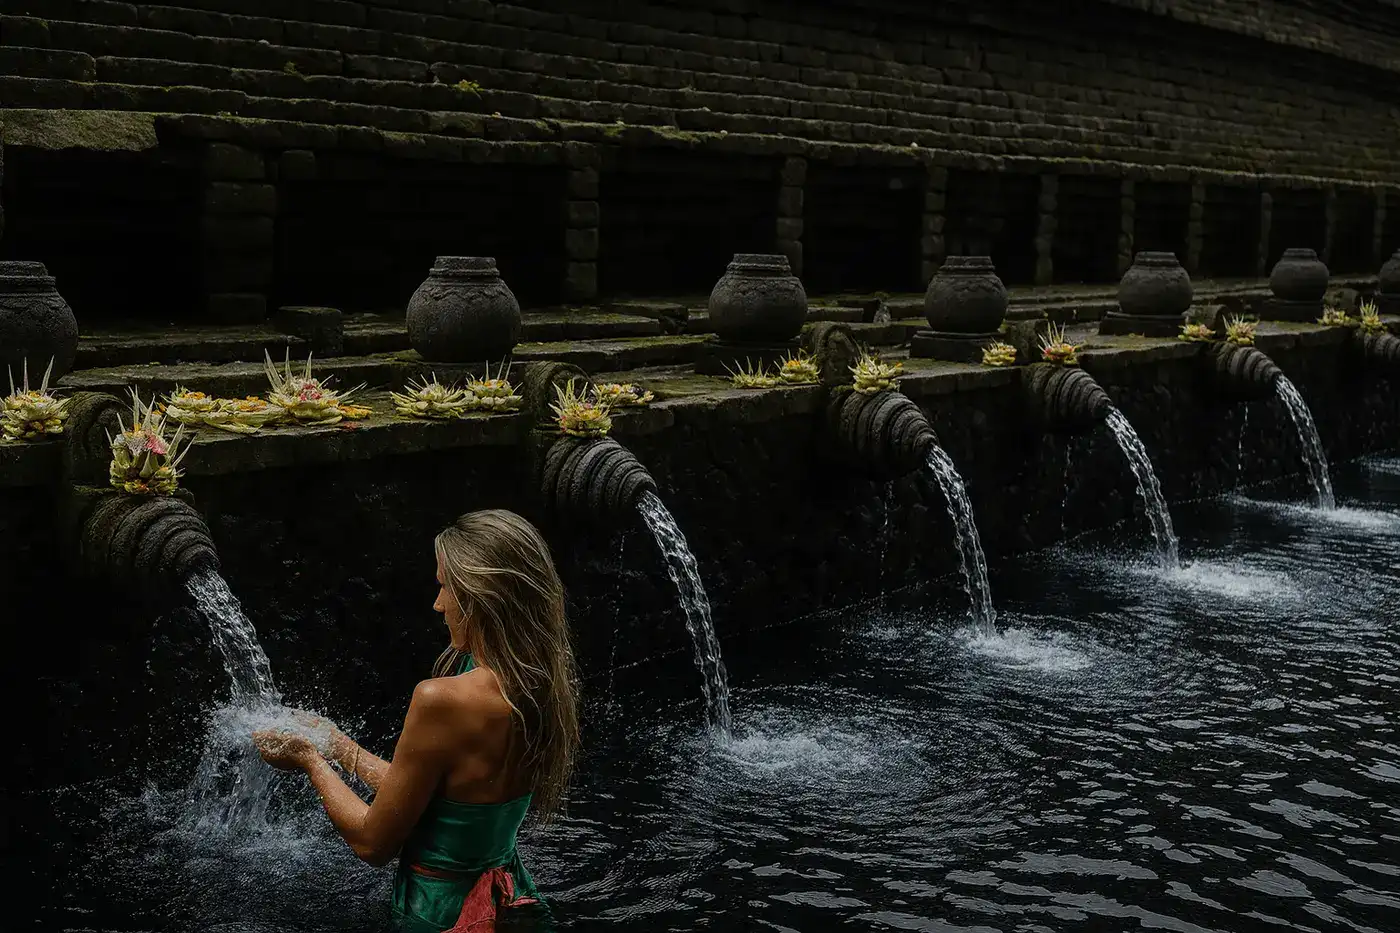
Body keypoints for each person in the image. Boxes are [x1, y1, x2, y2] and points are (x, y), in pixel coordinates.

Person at [253, 510, 579, 932]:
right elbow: (441, 803)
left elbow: (372, 842)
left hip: (441, 915)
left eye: (445, 587)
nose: (438, 604)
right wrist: (341, 747)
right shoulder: (544, 679)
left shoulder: (442, 699)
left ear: (478, 597)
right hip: (513, 901)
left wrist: (309, 758)